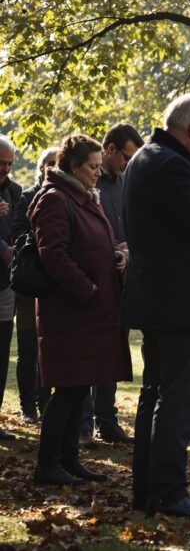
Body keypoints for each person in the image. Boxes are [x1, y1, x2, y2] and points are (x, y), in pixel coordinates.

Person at [123, 93, 190, 518]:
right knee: (179, 401)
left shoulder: (147, 159)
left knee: (156, 395)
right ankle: (168, 493)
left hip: (163, 299)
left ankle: (149, 492)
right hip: (180, 302)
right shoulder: (171, 165)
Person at [29, 134, 132, 485]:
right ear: (73, 166)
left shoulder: (84, 197)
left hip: (90, 311)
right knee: (69, 390)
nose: (97, 173)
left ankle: (69, 460)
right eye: (92, 167)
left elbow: (90, 244)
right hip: (71, 311)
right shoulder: (57, 199)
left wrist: (116, 253)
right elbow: (53, 255)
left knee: (79, 387)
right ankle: (48, 463)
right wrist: (87, 290)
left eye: (99, 167)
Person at [79, 123, 142, 448]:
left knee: (113, 352)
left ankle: (108, 420)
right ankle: (84, 424)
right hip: (93, 280)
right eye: (126, 157)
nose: (128, 164)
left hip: (120, 279)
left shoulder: (125, 184)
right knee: (91, 354)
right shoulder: (87, 184)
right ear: (110, 150)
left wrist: (127, 249)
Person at [12, 147, 57, 426]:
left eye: (55, 164)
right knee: (28, 349)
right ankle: (28, 406)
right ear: (39, 167)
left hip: (53, 285)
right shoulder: (27, 197)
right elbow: (17, 234)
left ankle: (45, 402)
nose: (50, 169)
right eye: (47, 164)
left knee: (48, 350)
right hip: (31, 284)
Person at [0, 136, 22, 442]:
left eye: (8, 164)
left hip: (6, 282)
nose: (4, 168)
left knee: (2, 349)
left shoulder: (15, 192)